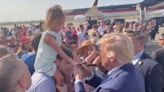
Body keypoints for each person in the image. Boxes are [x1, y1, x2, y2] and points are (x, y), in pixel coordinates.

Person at [73, 33, 145, 92]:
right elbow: (109, 83)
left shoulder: (111, 88)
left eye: (101, 52)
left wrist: (78, 81)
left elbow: (110, 86)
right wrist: (90, 76)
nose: (99, 55)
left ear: (112, 57)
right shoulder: (133, 70)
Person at [34, 5, 75, 91]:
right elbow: (59, 51)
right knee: (60, 78)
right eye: (59, 24)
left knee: (64, 77)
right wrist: (71, 61)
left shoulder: (58, 33)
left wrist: (70, 49)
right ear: (49, 22)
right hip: (44, 63)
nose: (61, 26)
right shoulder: (48, 36)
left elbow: (62, 46)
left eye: (62, 23)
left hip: (51, 61)